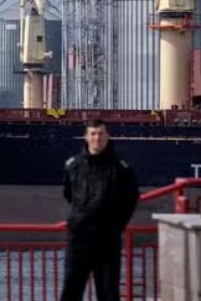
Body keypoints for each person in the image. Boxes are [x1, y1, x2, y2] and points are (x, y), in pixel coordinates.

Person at [59, 118, 139, 301]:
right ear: (86, 137)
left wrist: (117, 225)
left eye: (101, 133)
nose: (97, 138)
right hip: (79, 239)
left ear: (108, 136)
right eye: (93, 134)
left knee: (108, 292)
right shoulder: (74, 165)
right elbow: (69, 193)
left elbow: (131, 197)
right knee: (71, 289)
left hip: (107, 239)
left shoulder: (121, 167)